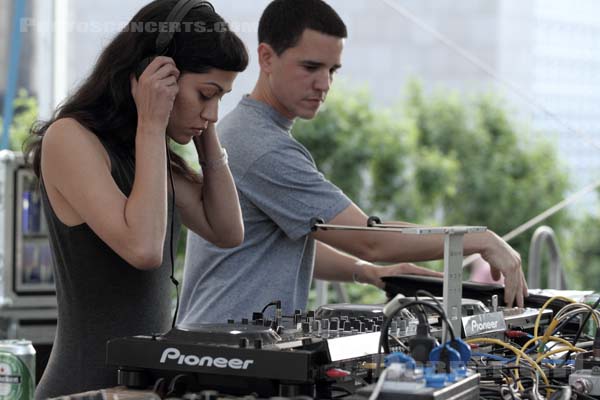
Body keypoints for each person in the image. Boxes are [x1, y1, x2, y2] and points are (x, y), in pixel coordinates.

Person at [178, 0, 528, 326]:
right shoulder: (262, 147)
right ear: (267, 58)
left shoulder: (248, 130)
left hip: (223, 342)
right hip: (223, 355)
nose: (324, 84)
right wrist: (479, 238)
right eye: (311, 67)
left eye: (333, 70)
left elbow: (283, 242)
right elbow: (370, 239)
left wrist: (367, 272)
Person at [26, 1, 248, 397]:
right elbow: (144, 248)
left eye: (221, 98)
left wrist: (205, 134)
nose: (213, 112)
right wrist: (151, 124)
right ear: (154, 77)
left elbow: (227, 231)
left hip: (142, 390)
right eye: (206, 94)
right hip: (82, 389)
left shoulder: (148, 156)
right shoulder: (71, 138)